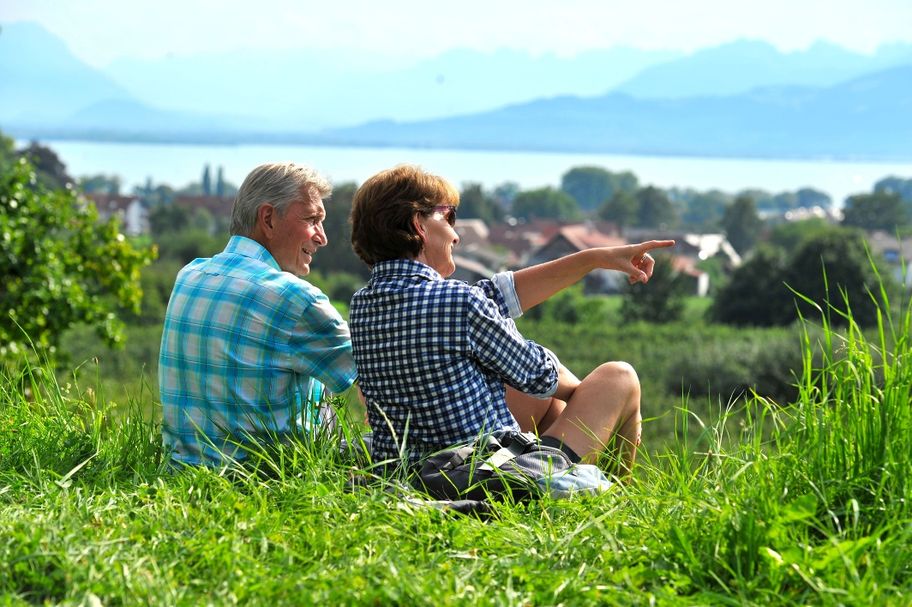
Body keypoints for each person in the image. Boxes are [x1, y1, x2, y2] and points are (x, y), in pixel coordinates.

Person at [348, 164, 673, 477]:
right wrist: (593, 399)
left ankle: (581, 488)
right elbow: (537, 374)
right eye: (449, 217)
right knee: (619, 378)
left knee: (539, 399)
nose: (456, 236)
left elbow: (495, 295)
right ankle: (614, 498)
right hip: (479, 476)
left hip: (407, 473)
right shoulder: (460, 304)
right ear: (419, 225)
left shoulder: (362, 307)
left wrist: (594, 258)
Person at [159, 162, 357, 467]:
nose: (322, 237)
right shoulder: (295, 298)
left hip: (181, 475)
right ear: (268, 218)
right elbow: (381, 371)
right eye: (312, 220)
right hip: (268, 479)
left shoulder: (189, 275)